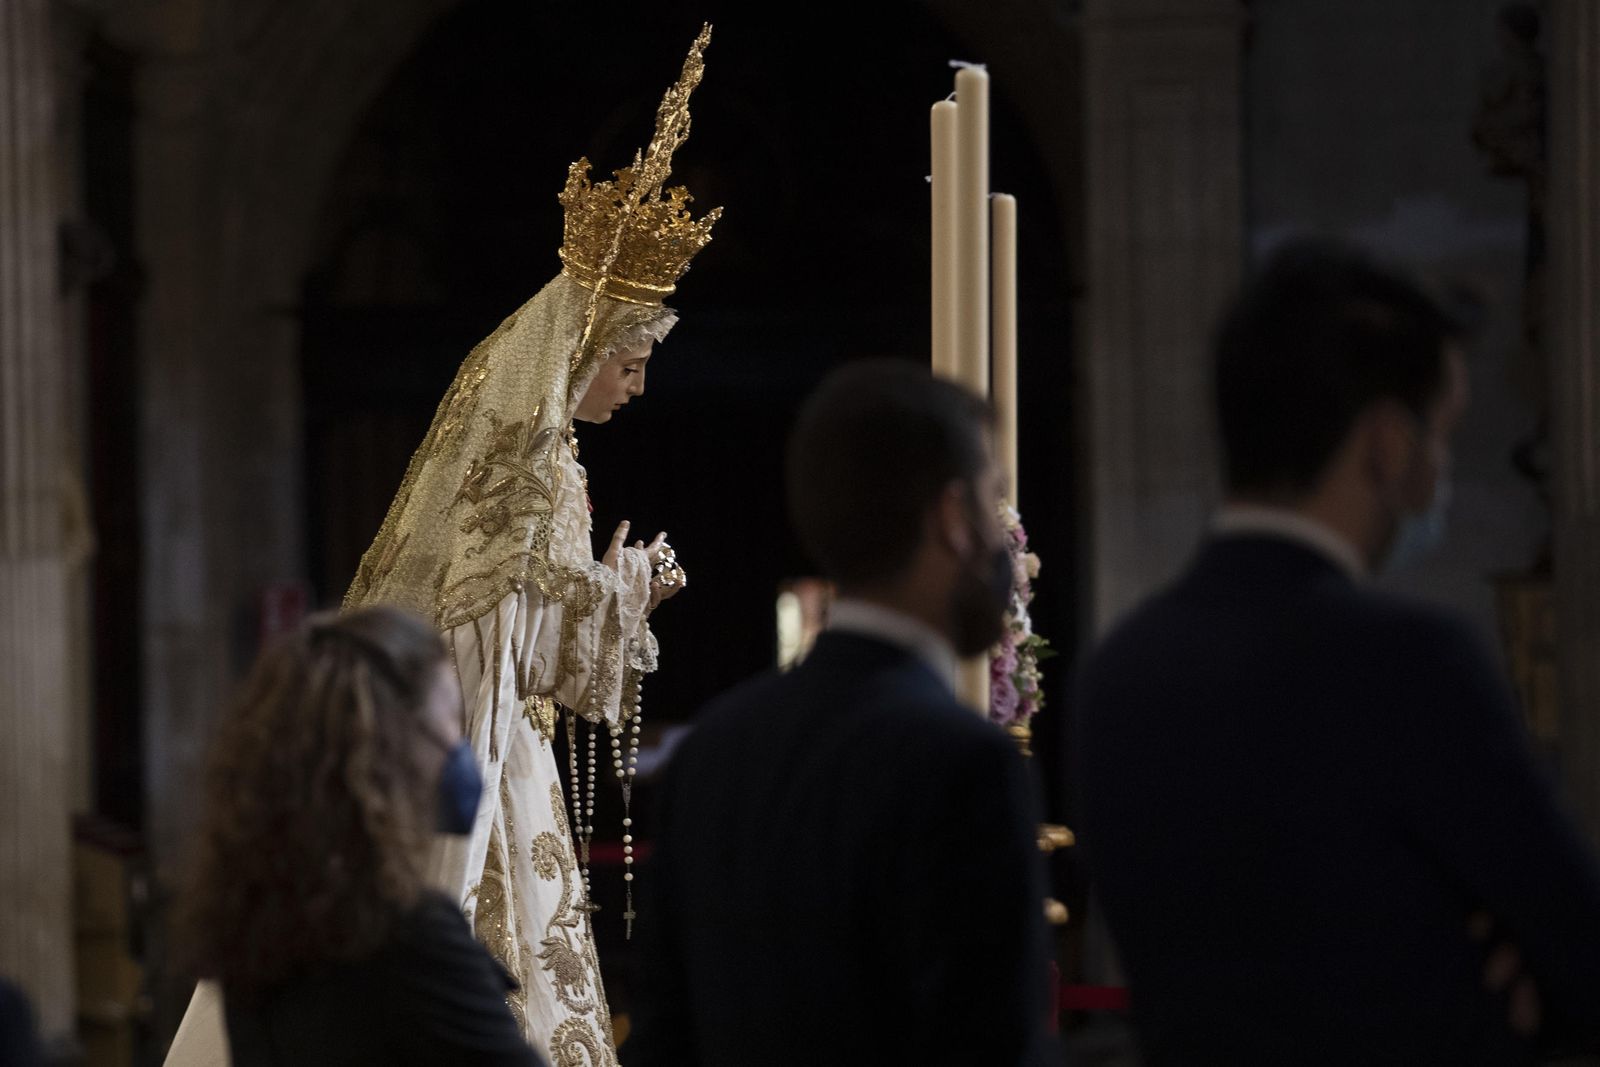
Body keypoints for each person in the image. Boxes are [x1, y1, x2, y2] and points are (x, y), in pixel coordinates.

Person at [165, 27, 719, 1067]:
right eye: (630, 360)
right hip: (488, 735)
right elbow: (513, 641)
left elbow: (512, 617)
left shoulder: (535, 451)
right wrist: (627, 593)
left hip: (497, 728)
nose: (636, 384)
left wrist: (601, 596)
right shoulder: (541, 460)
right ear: (587, 344)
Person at [1075, 238, 1600, 1064]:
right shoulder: (1410, 663)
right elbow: (1582, 953)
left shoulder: (1120, 671)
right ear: (1387, 444)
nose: (1439, 466)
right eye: (1441, 431)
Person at [625, 360, 1056, 1066]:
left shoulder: (715, 750)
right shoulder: (963, 763)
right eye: (990, 501)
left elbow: (664, 1039)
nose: (1000, 541)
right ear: (952, 518)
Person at [174, 607, 541, 1066]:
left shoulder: (258, 924)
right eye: (450, 717)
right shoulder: (412, 938)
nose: (459, 744)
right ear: (393, 745)